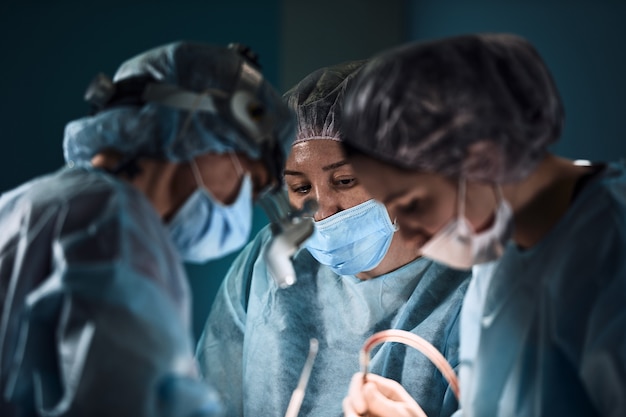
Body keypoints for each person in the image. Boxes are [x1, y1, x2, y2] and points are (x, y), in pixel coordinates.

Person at [0, 41, 295, 417]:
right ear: (205, 133)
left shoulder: (24, 205)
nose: (246, 203)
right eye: (252, 182)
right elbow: (136, 402)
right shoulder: (114, 221)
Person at [339, 33, 626, 417]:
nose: (406, 234)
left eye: (412, 204)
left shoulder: (610, 244)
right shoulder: (501, 254)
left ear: (482, 160)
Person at [196, 60, 471, 417]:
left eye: (344, 181)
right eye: (299, 187)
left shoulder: (472, 291)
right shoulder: (271, 261)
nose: (322, 211)